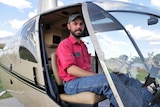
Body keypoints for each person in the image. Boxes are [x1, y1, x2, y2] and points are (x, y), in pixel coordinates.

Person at [55, 13, 159, 107]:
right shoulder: (65, 44)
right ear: (69, 26)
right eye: (75, 24)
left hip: (84, 81)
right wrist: (99, 76)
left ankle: (149, 99)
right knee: (108, 80)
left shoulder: (83, 46)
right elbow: (71, 70)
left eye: (81, 24)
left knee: (123, 77)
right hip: (72, 84)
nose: (78, 26)